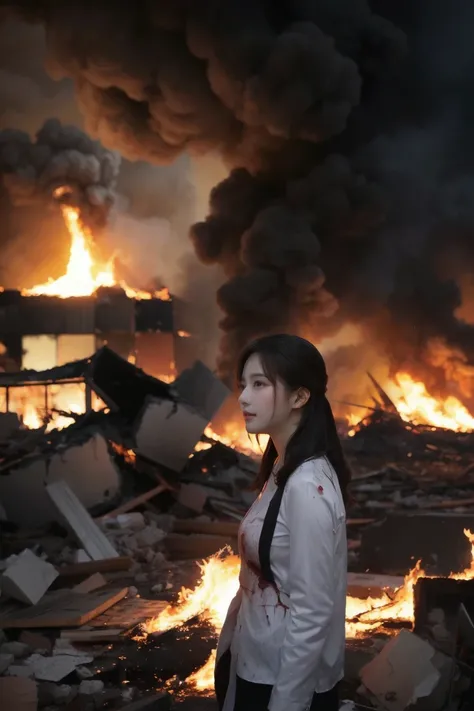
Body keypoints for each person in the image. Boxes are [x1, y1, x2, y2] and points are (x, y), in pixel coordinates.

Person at [214, 334, 350, 711]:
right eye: (244, 385)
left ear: (299, 397)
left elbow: (311, 613)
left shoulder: (308, 488)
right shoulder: (282, 469)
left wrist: (286, 704)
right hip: (256, 664)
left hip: (281, 684)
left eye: (259, 384)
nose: (243, 397)